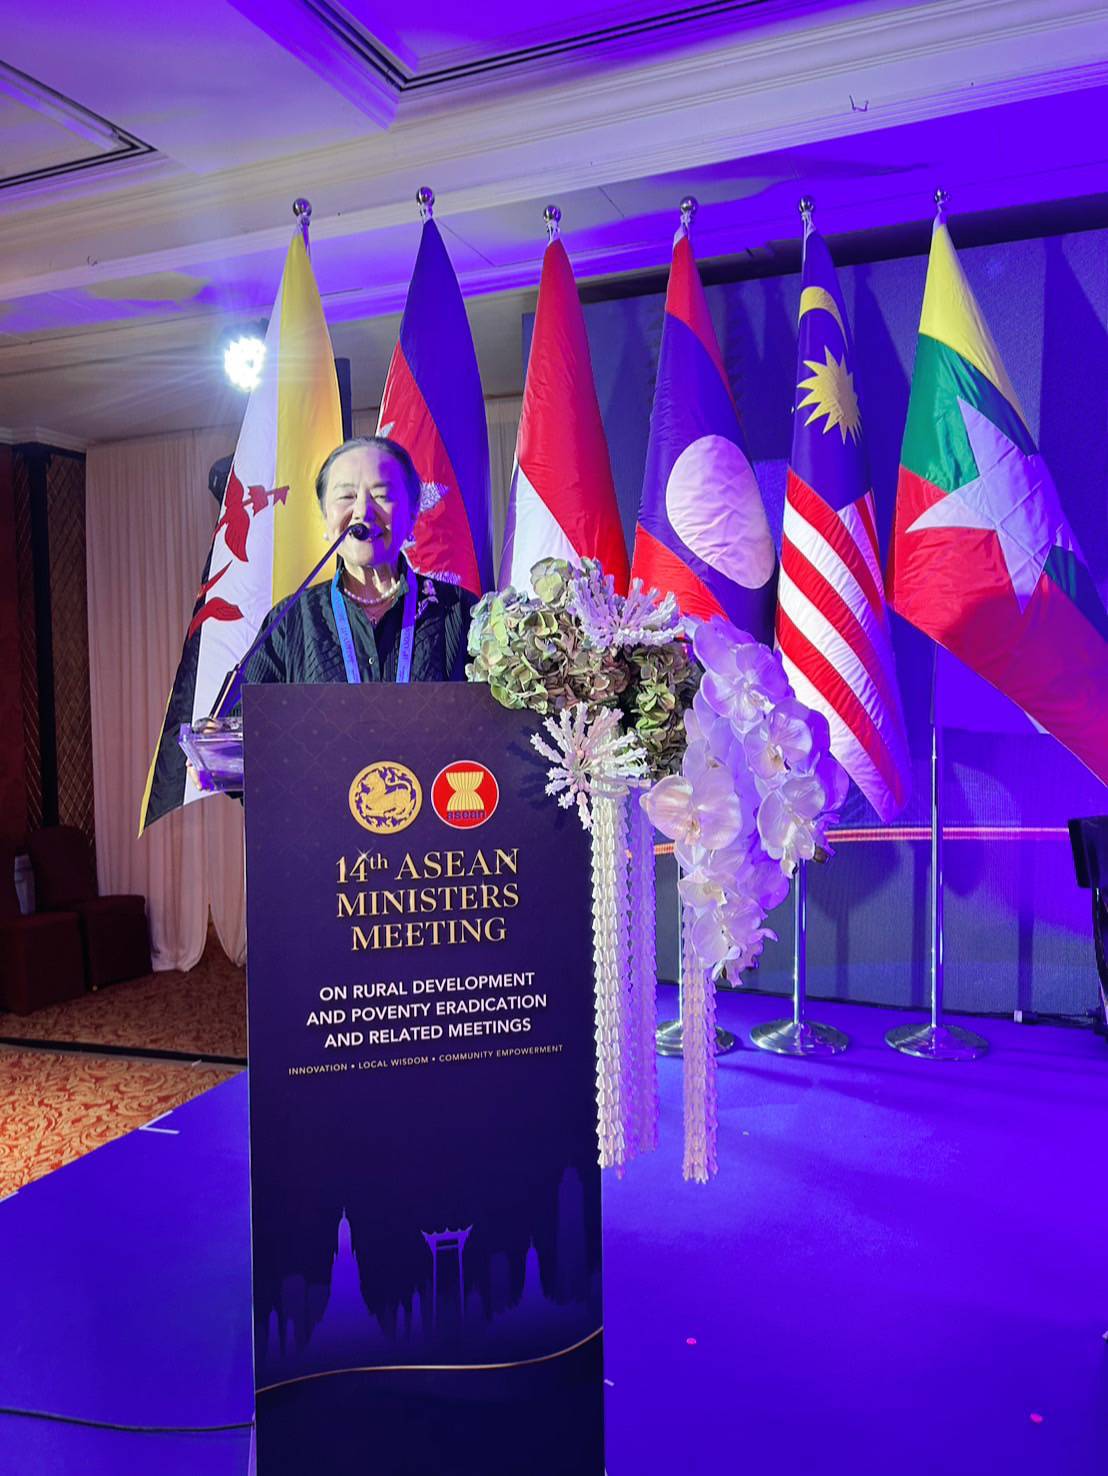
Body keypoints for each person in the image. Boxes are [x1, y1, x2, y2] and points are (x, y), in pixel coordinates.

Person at [239, 434, 475, 688]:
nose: (363, 511)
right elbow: (242, 711)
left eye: (382, 495)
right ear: (325, 516)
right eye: (346, 497)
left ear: (411, 515)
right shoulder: (290, 620)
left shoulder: (460, 611)